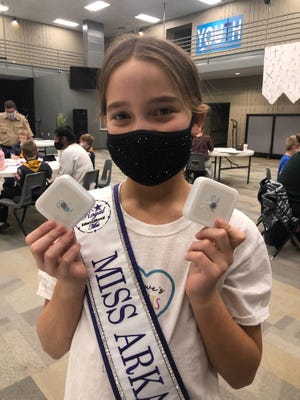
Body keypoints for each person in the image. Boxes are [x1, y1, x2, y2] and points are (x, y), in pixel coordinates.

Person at [25, 35, 272, 400]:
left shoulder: (230, 234)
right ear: (106, 120)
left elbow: (242, 374)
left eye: (162, 111)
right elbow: (52, 344)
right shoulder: (80, 217)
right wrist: (70, 283)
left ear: (197, 120)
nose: (142, 130)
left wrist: (205, 297)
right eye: (122, 115)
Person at [0, 140, 52, 231]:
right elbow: (49, 175)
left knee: (3, 194)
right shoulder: (45, 166)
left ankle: (2, 221)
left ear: (22, 154)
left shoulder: (22, 169)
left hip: (25, 195)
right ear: (37, 152)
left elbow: (18, 181)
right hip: (40, 194)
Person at [190, 104, 214, 175]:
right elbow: (211, 149)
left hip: (191, 163)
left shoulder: (189, 139)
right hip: (203, 163)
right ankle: (210, 180)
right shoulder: (206, 138)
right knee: (209, 165)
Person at [278, 143, 300, 220]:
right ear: (293, 148)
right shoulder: (288, 159)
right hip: (289, 206)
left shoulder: (294, 156)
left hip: (282, 201)